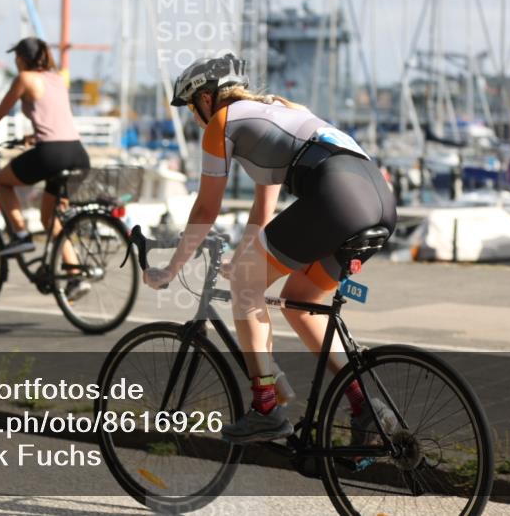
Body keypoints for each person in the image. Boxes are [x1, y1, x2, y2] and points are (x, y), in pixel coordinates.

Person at [142, 53, 397, 444]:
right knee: (299, 300)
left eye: (193, 108)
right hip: (377, 198)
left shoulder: (223, 123)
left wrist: (171, 268)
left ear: (207, 99)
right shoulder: (272, 116)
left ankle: (265, 407)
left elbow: (207, 207)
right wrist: (245, 261)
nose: (195, 119)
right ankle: (365, 406)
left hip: (339, 195)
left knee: (248, 286)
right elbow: (262, 213)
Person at [0, 36, 91, 300]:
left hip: (52, 154)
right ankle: (76, 275)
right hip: (77, 153)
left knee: (1, 182)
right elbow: (54, 118)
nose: (15, 62)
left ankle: (20, 234)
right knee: (49, 218)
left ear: (22, 58)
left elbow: (0, 112)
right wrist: (33, 137)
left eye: (15, 57)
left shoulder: (25, 79)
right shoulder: (57, 79)